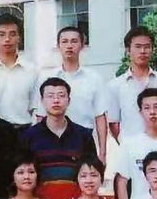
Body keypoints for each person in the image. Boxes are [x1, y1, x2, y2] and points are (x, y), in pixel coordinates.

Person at [22, 77, 96, 199]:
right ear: (42, 101)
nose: (56, 100)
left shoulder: (83, 135)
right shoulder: (29, 136)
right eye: (50, 96)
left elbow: (92, 172)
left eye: (61, 96)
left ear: (69, 100)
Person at [36, 27, 107, 163]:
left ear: (82, 45)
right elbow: (40, 115)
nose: (69, 46)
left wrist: (103, 154)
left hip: (83, 140)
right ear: (58, 46)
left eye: (74, 41)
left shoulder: (94, 79)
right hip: (52, 140)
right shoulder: (47, 78)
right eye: (65, 41)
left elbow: (100, 117)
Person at [108, 26, 157, 142]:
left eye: (147, 47)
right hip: (131, 148)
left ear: (152, 50)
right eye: (138, 46)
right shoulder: (115, 86)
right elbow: (114, 124)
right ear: (128, 50)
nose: (143, 51)